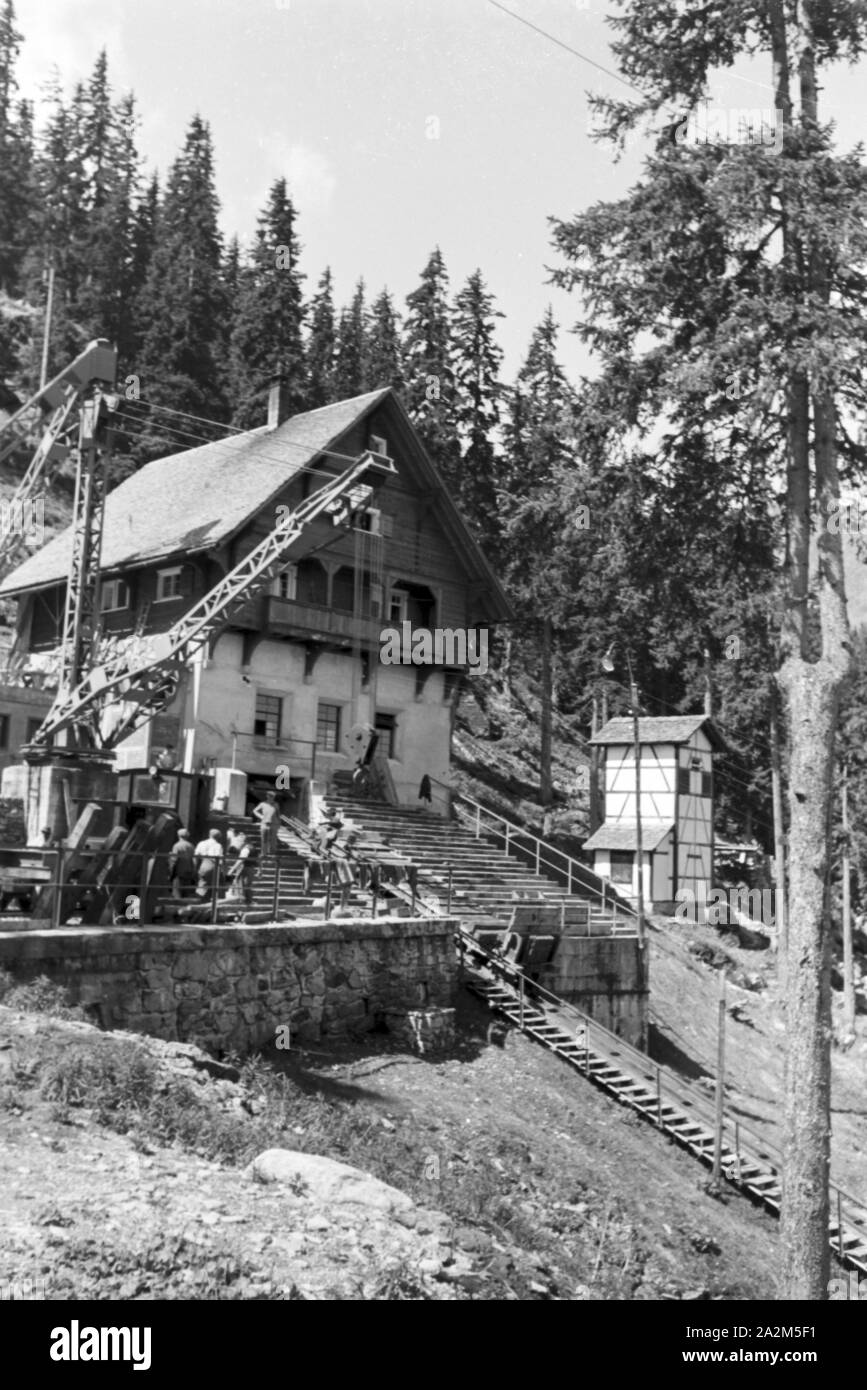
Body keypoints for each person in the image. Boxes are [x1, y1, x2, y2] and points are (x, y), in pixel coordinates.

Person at [226, 828, 255, 907]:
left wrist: (232, 870)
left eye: (240, 840)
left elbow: (240, 860)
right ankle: (248, 902)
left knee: (241, 886)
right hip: (251, 869)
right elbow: (259, 860)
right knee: (247, 886)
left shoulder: (246, 849)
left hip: (245, 869)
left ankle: (243, 903)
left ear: (244, 841)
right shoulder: (253, 848)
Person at [168, 827, 196, 900]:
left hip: (179, 873)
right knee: (186, 894)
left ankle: (178, 909)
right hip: (189, 872)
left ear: (178, 835)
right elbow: (194, 860)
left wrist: (171, 873)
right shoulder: (191, 846)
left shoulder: (177, 846)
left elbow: (174, 860)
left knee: (177, 893)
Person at [193, 827, 223, 896]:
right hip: (213, 865)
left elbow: (196, 855)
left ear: (209, 835)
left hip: (203, 864)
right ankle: (207, 901)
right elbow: (219, 858)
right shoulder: (218, 845)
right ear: (218, 837)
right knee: (212, 885)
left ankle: (200, 898)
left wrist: (194, 867)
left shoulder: (201, 843)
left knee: (202, 882)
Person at [251, 792, 279, 860]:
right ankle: (264, 853)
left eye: (272, 796)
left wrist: (278, 823)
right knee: (264, 839)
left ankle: (272, 854)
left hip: (273, 824)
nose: (271, 797)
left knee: (272, 840)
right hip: (264, 824)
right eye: (269, 796)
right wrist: (261, 816)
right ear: (267, 796)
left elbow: (278, 814)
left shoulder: (276, 804)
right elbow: (255, 811)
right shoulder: (262, 804)